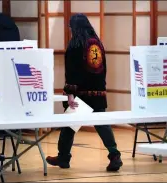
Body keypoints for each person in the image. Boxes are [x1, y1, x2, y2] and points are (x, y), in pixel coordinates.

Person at [46, 13, 123, 172]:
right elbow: (102, 69)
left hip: (81, 93)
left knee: (69, 126)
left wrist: (69, 93)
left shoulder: (76, 44)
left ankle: (63, 157)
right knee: (102, 125)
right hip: (98, 91)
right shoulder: (97, 43)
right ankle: (115, 155)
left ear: (75, 27)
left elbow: (72, 72)